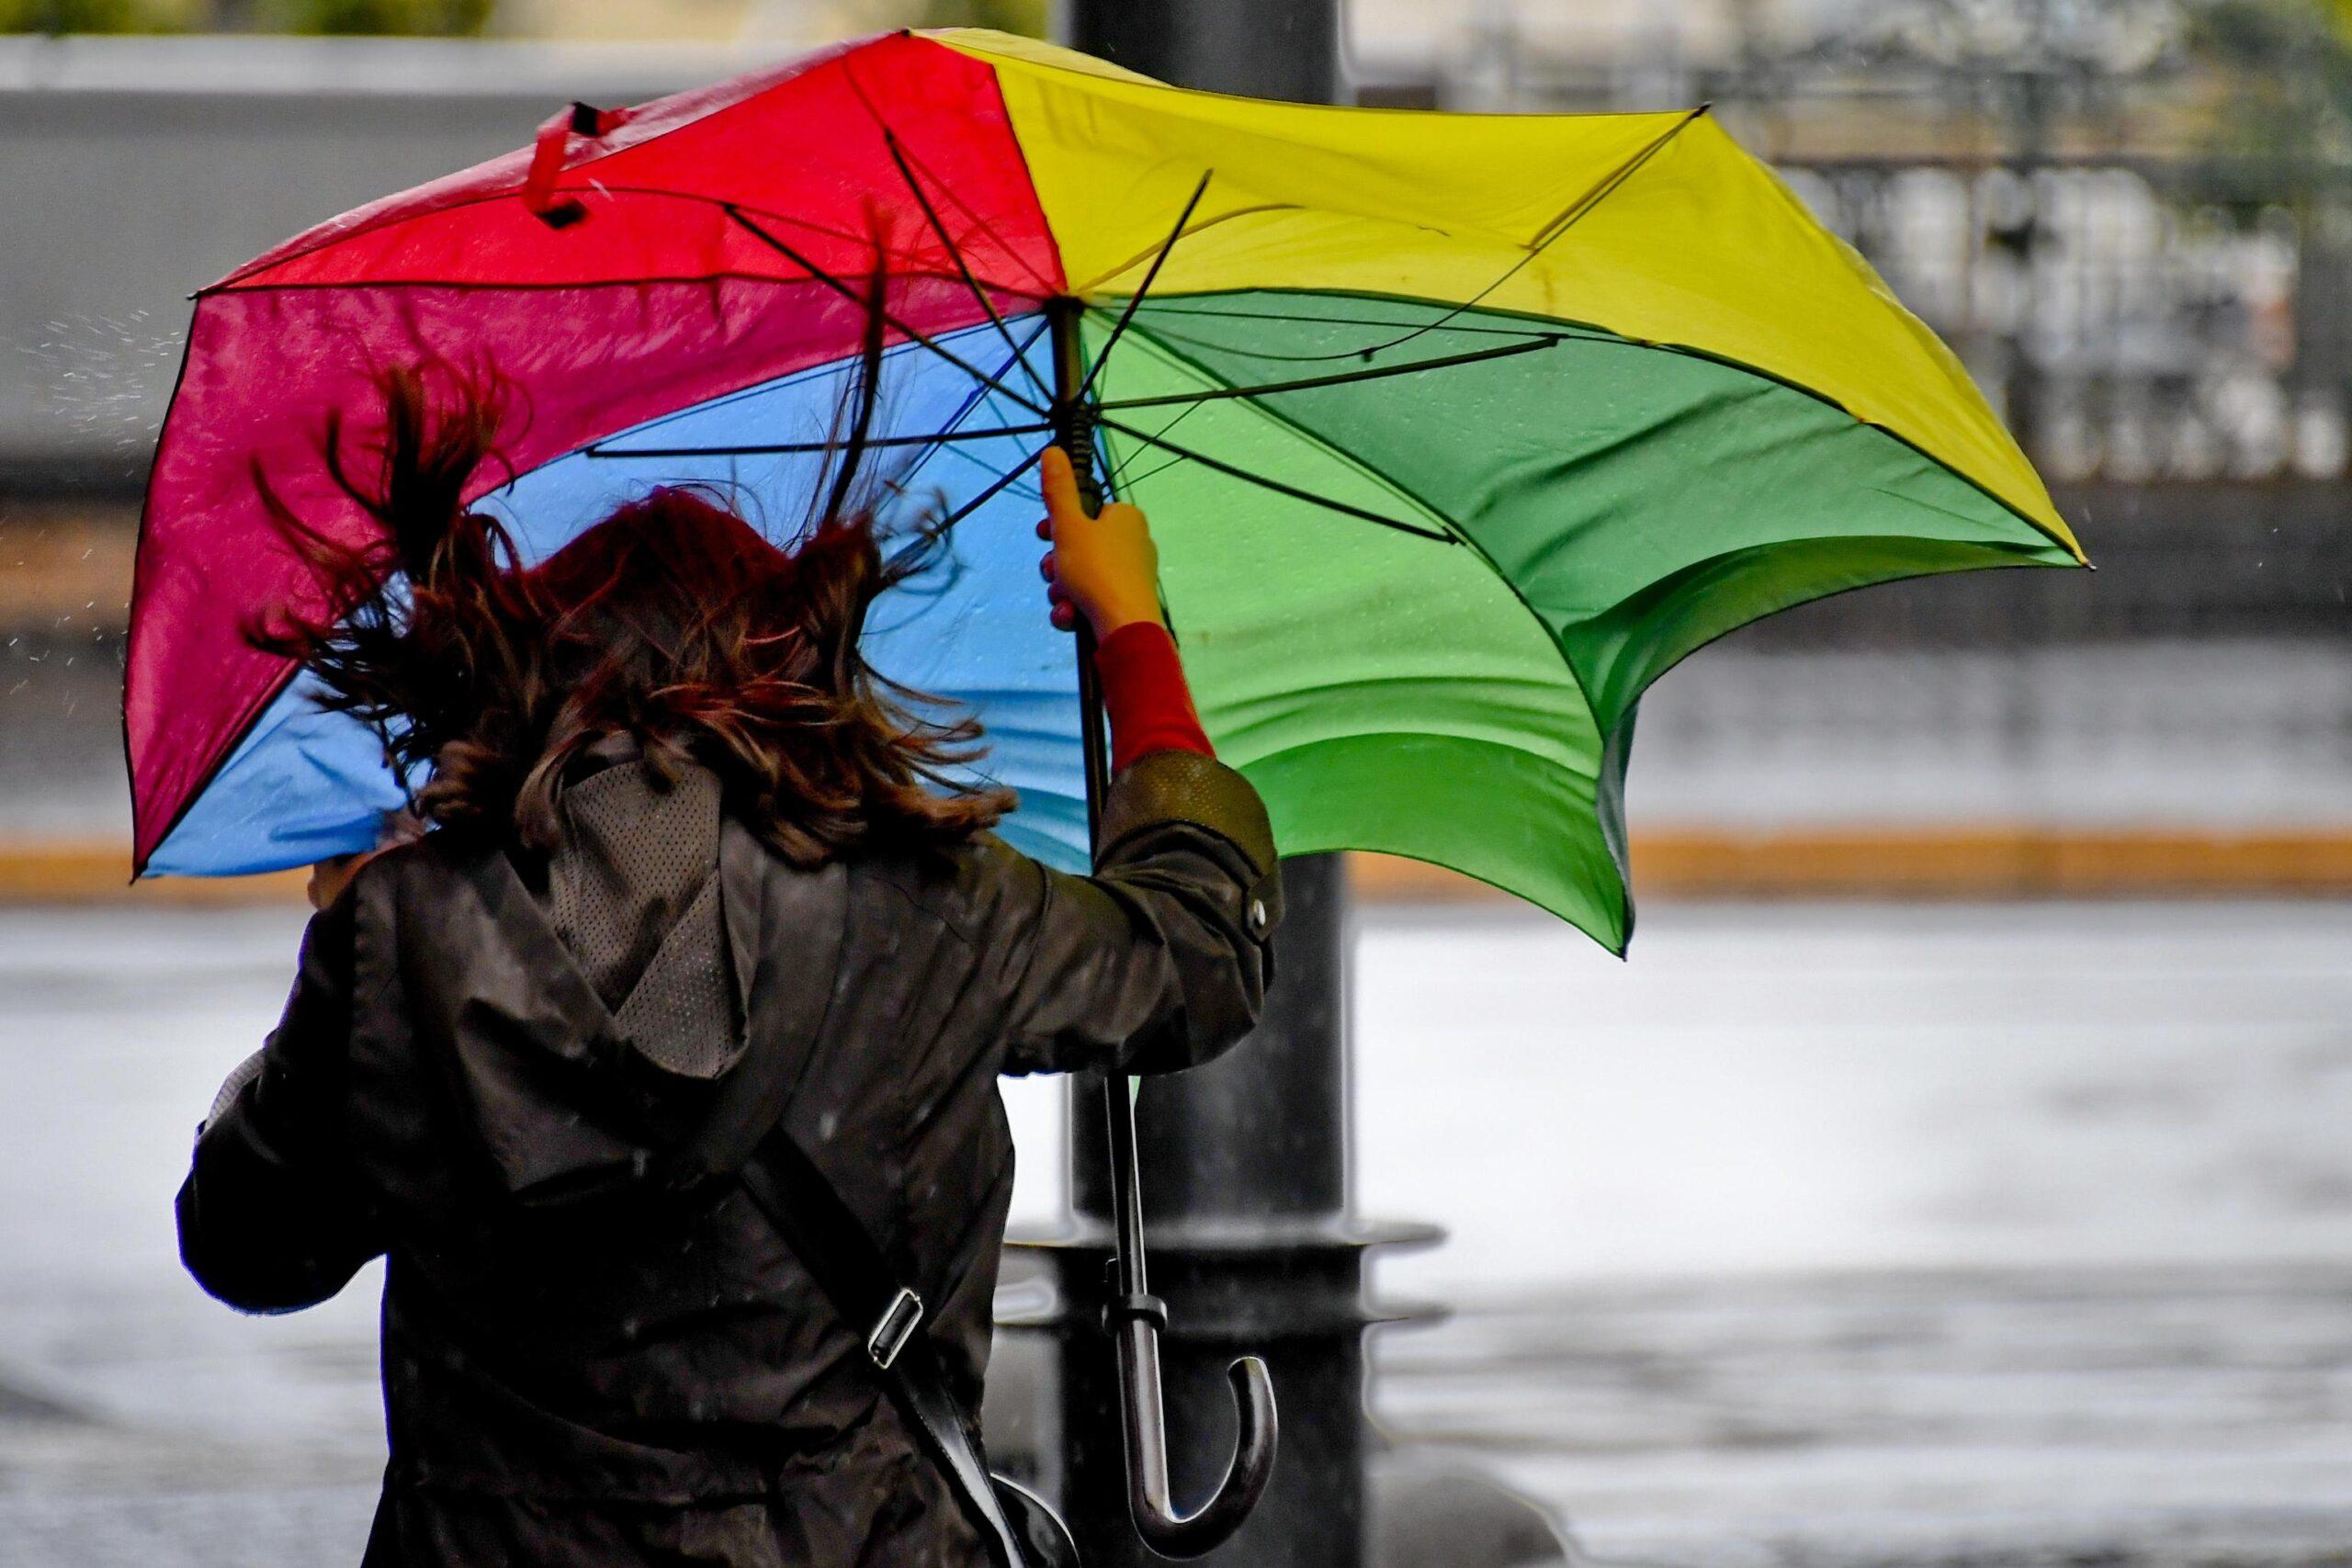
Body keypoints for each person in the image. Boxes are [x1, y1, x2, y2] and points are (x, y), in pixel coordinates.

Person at [174, 366, 1281, 1567]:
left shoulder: (417, 928)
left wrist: (346, 982)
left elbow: (251, 1248)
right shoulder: (932, 905)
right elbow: (1196, 950)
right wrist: (1132, 629)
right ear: (793, 680)